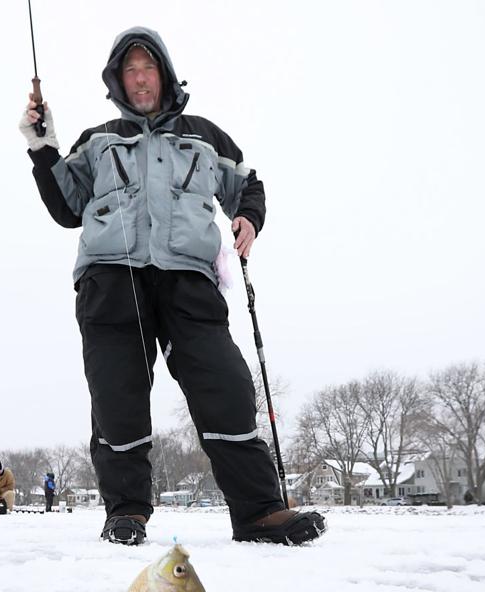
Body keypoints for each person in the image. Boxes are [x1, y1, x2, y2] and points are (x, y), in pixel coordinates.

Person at [20, 27, 326, 547]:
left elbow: (248, 183)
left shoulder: (205, 136)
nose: (140, 78)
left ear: (163, 73)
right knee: (118, 398)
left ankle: (258, 512)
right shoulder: (97, 140)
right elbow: (66, 208)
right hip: (112, 280)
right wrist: (43, 147)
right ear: (118, 80)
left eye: (148, 67)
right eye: (130, 70)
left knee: (226, 387)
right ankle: (126, 513)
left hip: (189, 282)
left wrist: (249, 219)